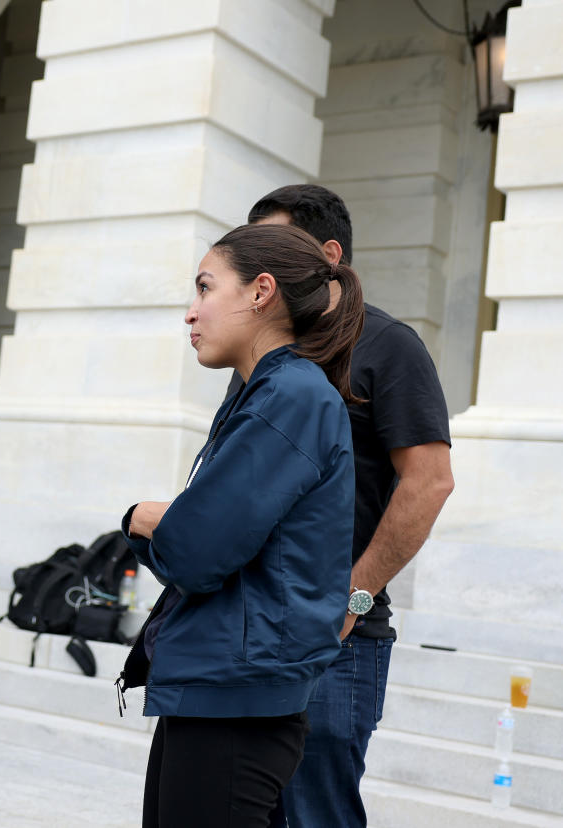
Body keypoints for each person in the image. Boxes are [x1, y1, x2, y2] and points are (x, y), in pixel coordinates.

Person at [123, 222, 367, 827]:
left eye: (205, 288)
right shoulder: (269, 390)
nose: (191, 312)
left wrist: (140, 518)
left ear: (261, 292)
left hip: (240, 697)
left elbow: (197, 552)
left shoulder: (292, 395)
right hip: (221, 684)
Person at [240, 184, 454, 827]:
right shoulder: (262, 349)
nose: (260, 276)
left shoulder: (392, 345)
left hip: (339, 642)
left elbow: (430, 482)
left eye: (275, 254)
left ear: (330, 254)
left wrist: (353, 598)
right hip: (251, 628)